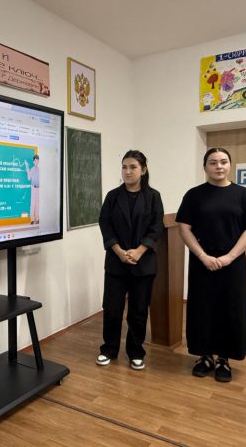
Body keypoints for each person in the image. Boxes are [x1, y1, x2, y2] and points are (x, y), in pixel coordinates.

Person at [176, 147, 246, 383]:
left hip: (232, 263)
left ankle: (224, 358)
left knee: (230, 309)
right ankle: (204, 356)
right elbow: (184, 228)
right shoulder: (194, 195)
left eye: (223, 162)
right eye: (213, 162)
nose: (219, 166)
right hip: (202, 262)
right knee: (202, 308)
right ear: (205, 167)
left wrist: (230, 257)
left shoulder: (242, 194)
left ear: (229, 165)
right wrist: (203, 256)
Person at [97, 150, 164, 370]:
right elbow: (105, 225)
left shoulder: (153, 196)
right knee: (112, 309)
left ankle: (136, 352)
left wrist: (139, 251)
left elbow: (156, 227)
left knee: (138, 310)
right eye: (124, 167)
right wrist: (118, 251)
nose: (128, 171)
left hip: (143, 263)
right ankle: (109, 349)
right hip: (116, 262)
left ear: (143, 170)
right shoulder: (112, 196)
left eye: (133, 167)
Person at [24, 154, 40, 224]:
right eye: (35, 160)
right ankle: (32, 219)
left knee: (37, 204)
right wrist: (27, 167)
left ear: (38, 161)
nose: (36, 162)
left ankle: (37, 219)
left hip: (39, 188)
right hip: (33, 188)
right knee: (33, 203)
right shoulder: (32, 169)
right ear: (33, 161)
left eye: (37, 160)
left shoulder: (40, 170)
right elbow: (29, 178)